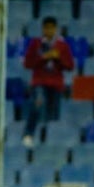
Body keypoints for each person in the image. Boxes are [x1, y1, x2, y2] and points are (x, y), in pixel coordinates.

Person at [22, 16, 74, 148]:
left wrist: (58, 58)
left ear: (56, 29)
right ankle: (28, 134)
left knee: (52, 116)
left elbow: (70, 66)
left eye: (52, 28)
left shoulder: (62, 46)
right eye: (47, 28)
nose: (49, 31)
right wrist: (43, 58)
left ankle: (45, 142)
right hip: (39, 81)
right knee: (38, 103)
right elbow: (27, 64)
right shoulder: (36, 43)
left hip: (56, 84)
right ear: (43, 29)